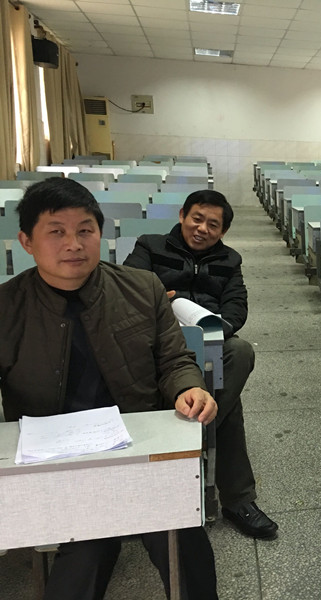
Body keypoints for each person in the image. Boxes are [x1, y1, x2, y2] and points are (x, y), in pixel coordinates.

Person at [0, 177, 219, 599]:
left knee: (182, 537)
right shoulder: (7, 307)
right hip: (56, 462)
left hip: (136, 449)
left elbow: (174, 361)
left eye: (85, 230)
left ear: (100, 234)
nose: (74, 244)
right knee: (87, 551)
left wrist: (188, 388)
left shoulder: (142, 288)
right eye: (56, 232)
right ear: (27, 242)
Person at [124, 189, 277, 540]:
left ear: (223, 231)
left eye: (213, 225)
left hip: (208, 344)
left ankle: (192, 440)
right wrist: (160, 304)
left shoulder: (229, 260)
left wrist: (216, 327)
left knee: (240, 352)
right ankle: (238, 499)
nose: (202, 229)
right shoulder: (150, 246)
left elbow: (237, 307)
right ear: (182, 215)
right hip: (157, 344)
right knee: (228, 406)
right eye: (197, 219)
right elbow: (129, 290)